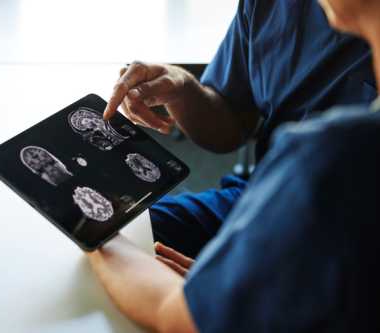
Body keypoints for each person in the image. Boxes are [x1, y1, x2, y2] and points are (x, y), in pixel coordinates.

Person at [87, 0, 380, 332]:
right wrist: (182, 87)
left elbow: (177, 316)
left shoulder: (336, 148)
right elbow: (230, 123)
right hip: (262, 193)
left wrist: (90, 228)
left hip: (329, 218)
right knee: (139, 230)